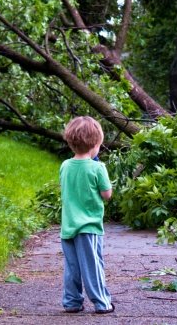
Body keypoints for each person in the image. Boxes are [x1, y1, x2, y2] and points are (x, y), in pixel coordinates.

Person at [60, 116, 114, 314]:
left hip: (68, 227)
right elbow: (107, 195)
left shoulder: (65, 166)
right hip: (88, 228)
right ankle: (102, 302)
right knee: (93, 267)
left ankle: (72, 301)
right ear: (95, 145)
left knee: (72, 267)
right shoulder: (98, 167)